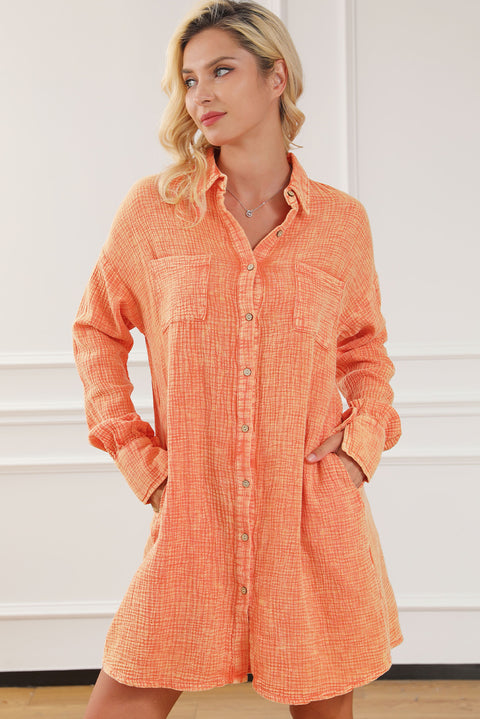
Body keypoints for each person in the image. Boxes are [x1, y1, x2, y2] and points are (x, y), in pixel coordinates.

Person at [72, 1, 403, 717]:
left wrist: (359, 448)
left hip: (308, 516)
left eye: (221, 71)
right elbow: (96, 331)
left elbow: (366, 351)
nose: (201, 95)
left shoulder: (342, 225)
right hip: (194, 512)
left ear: (275, 76)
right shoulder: (153, 212)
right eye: (190, 80)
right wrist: (142, 461)